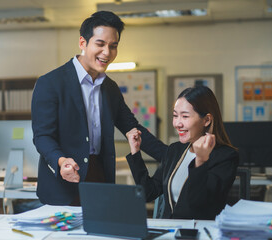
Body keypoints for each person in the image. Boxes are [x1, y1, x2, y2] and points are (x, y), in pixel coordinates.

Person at [31, 11, 167, 206]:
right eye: (100, 44)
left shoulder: (110, 88)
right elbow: (42, 136)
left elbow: (133, 128)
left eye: (113, 46)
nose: (107, 53)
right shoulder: (50, 83)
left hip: (99, 177)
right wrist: (61, 161)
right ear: (82, 43)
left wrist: (176, 156)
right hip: (65, 179)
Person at [126, 86, 239, 220]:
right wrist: (135, 152)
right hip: (169, 230)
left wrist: (201, 162)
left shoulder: (226, 156)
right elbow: (148, 193)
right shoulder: (175, 150)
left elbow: (198, 205)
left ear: (206, 120)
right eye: (175, 116)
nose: (177, 123)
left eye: (185, 116)